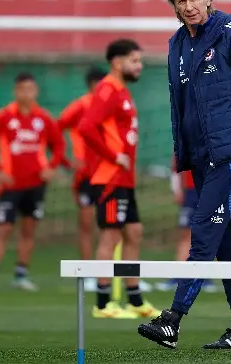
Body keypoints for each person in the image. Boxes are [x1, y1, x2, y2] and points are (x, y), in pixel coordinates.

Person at [137, 0, 231, 350]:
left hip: (230, 153)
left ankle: (172, 319)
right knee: (224, 237)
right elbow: (179, 106)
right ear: (175, 9)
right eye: (181, 1)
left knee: (203, 230)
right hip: (200, 157)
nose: (189, 6)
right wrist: (183, 152)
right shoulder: (177, 45)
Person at [78, 39, 161, 320]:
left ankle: (135, 299)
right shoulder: (108, 89)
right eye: (134, 61)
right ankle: (103, 304)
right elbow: (86, 127)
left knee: (133, 233)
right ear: (117, 62)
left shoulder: (122, 91)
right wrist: (113, 156)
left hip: (124, 179)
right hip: (110, 177)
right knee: (110, 235)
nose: (139, 66)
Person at [0, 72, 65, 291]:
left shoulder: (43, 118)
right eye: (22, 89)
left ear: (36, 91)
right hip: (11, 185)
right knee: (3, 228)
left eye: (31, 89)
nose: (27, 93)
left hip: (36, 184)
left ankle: (21, 274)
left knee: (28, 229)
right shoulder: (5, 116)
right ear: (16, 91)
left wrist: (51, 167)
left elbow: (59, 145)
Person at [57, 66, 107, 293]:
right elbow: (56, 129)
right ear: (91, 86)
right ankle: (87, 273)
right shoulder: (80, 106)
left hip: (108, 174)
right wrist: (67, 161)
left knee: (114, 226)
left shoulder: (111, 106)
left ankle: (111, 274)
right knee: (86, 224)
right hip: (86, 175)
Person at [156, 160, 217, 293]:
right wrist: (176, 188)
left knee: (208, 234)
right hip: (191, 190)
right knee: (186, 234)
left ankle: (204, 277)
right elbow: (176, 163)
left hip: (213, 189)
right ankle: (179, 276)